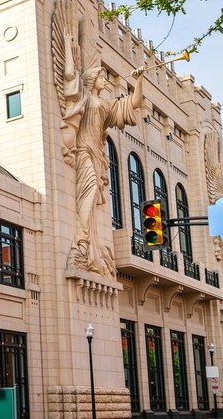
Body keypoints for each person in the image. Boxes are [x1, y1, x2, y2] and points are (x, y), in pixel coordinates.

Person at [61, 27, 146, 276]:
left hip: (98, 155)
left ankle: (87, 245)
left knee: (90, 195)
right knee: (86, 195)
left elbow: (133, 104)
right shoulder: (84, 99)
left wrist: (138, 81)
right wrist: (68, 45)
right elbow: (68, 75)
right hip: (84, 150)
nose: (105, 80)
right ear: (91, 80)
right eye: (101, 76)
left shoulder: (105, 105)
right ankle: (81, 241)